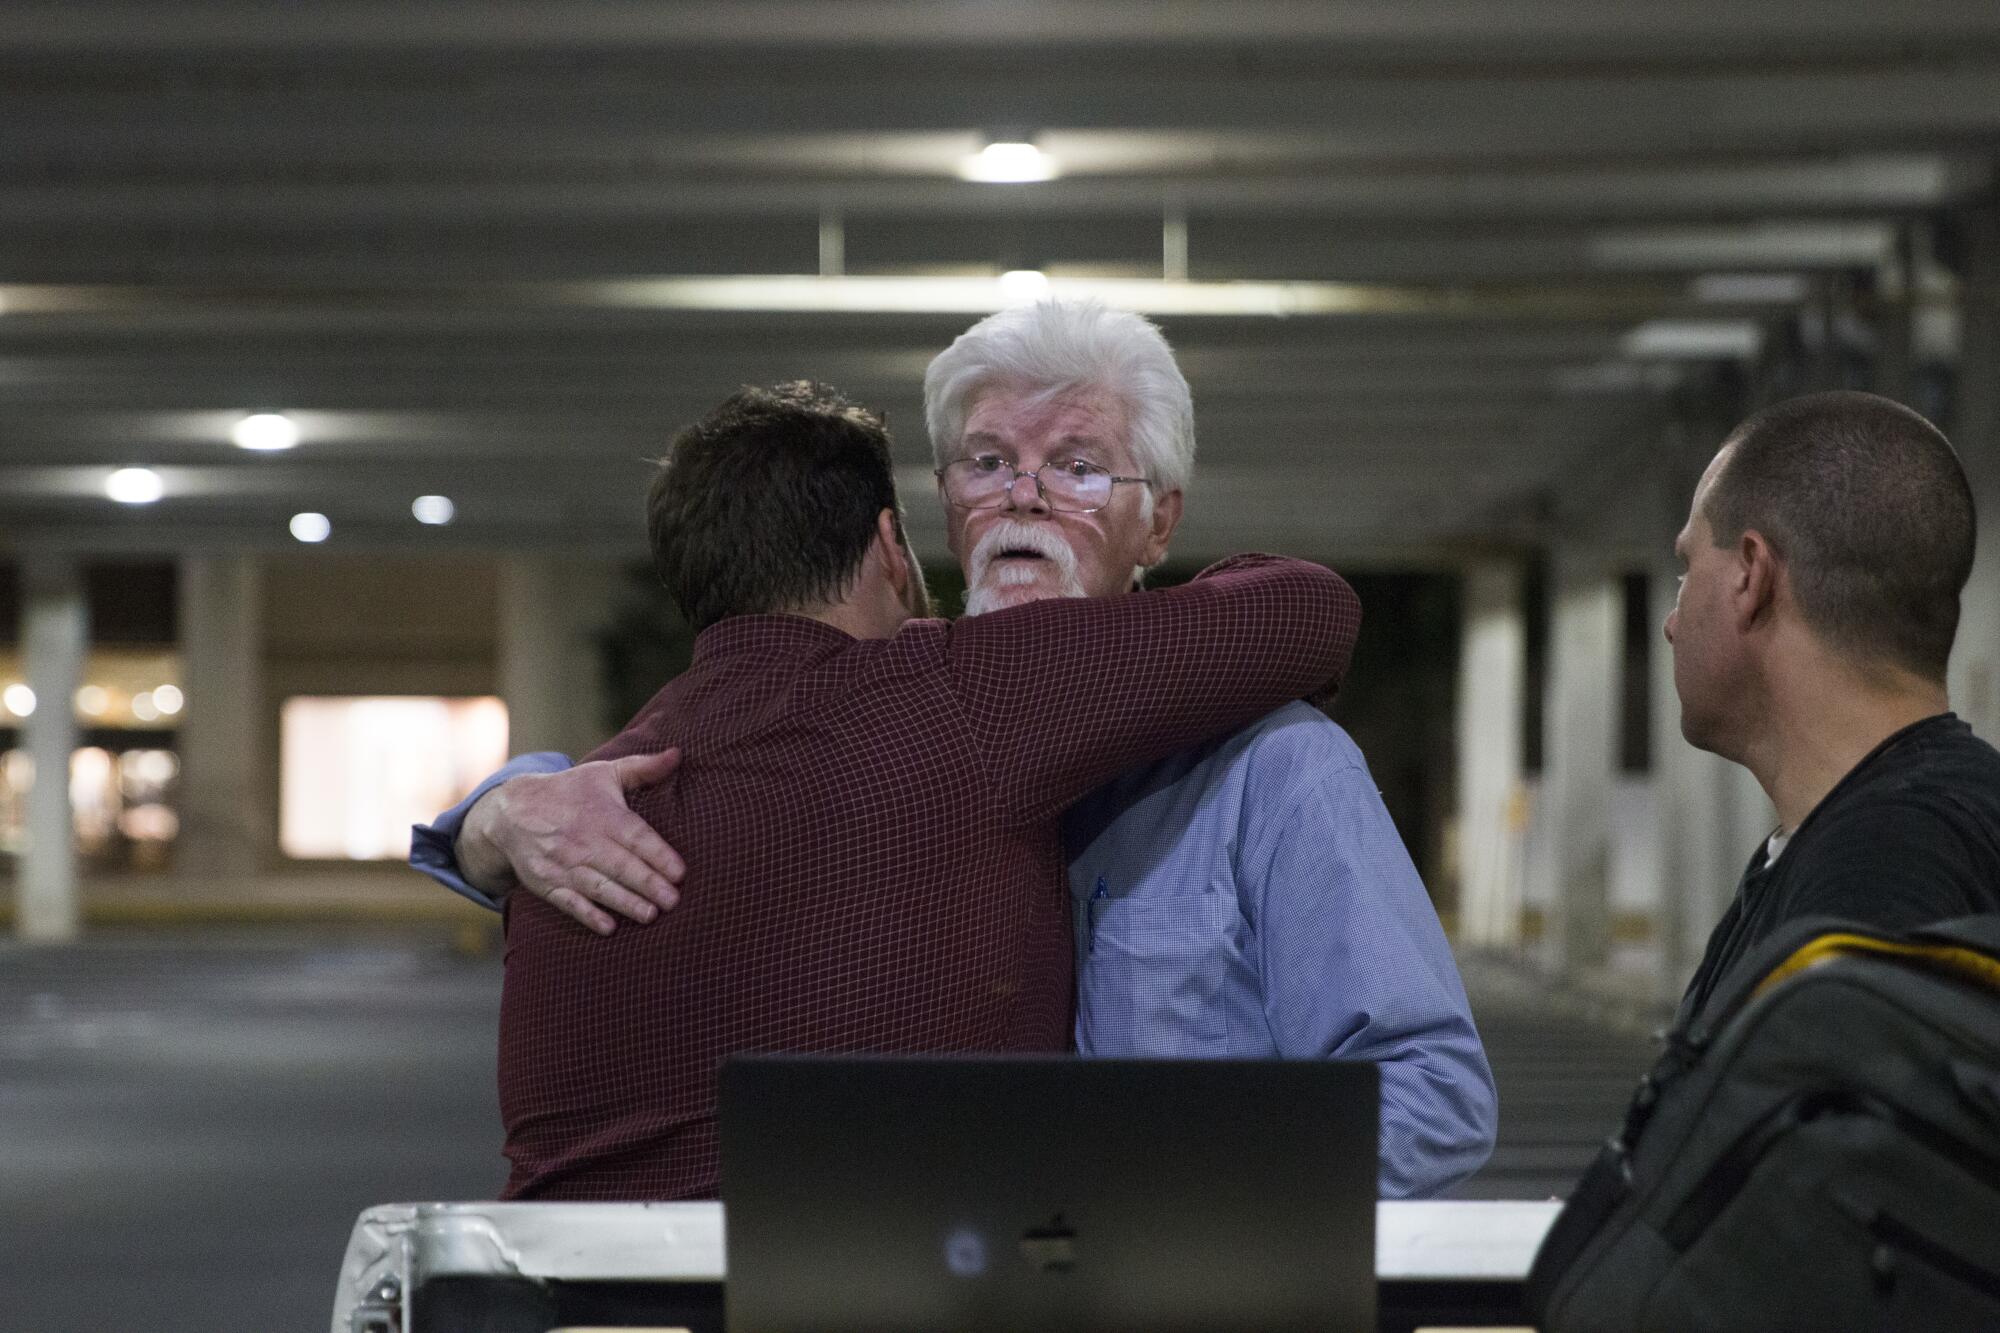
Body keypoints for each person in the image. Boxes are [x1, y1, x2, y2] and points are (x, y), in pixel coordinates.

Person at [415, 303, 1497, 1199]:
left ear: (1159, 525)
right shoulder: (915, 709)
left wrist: (1164, 1233)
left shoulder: (1274, 771)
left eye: (1077, 467)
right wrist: (502, 812)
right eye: (987, 461)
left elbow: (1429, 1091)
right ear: (922, 527)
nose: (1021, 492)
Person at [1664, 389, 2000, 1026]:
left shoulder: (1884, 869)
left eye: (1687, 568)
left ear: (1750, 576)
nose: (1672, 623)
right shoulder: (1898, 830)